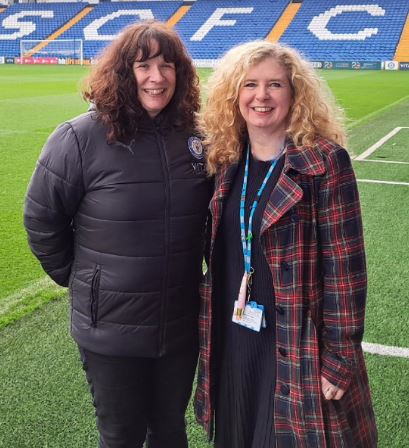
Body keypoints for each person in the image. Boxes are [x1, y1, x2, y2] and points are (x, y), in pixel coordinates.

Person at [24, 20, 211, 448]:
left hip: (180, 324)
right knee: (122, 435)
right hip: (110, 329)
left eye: (167, 65)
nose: (157, 77)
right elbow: (41, 220)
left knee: (169, 430)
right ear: (122, 72)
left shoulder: (197, 136)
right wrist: (83, 281)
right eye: (143, 65)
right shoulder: (78, 137)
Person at [194, 40, 377, 447]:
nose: (261, 96)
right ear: (233, 95)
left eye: (275, 85)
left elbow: (346, 269)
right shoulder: (224, 160)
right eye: (250, 85)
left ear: (295, 94)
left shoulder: (324, 162)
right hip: (233, 338)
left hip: (294, 342)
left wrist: (340, 357)